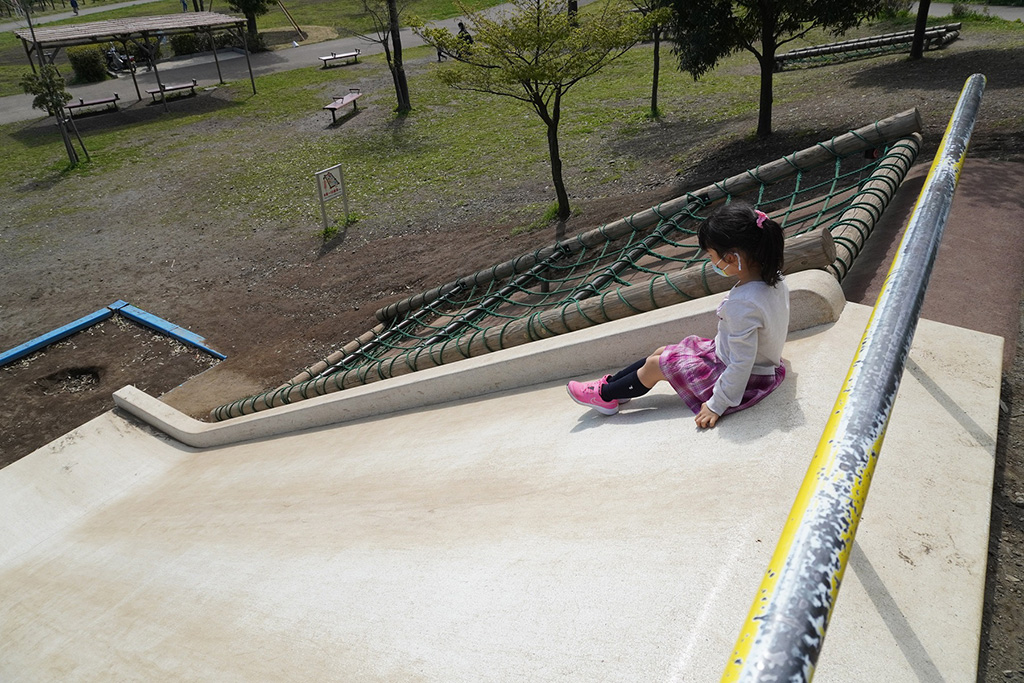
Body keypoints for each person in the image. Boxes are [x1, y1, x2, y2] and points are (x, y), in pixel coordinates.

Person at [566, 201, 789, 429]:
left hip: (742, 379)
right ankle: (613, 388)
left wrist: (716, 404)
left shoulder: (744, 305)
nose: (712, 262)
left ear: (731, 258)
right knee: (663, 352)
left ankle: (605, 396)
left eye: (712, 256)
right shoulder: (775, 280)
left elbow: (742, 363)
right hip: (748, 362)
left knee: (657, 365)